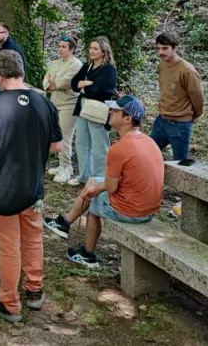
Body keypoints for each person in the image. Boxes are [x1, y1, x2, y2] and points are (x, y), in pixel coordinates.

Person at [0, 50, 63, 322]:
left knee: (9, 245)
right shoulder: (45, 104)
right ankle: (34, 290)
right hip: (33, 185)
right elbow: (57, 146)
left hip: (2, 187)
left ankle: (10, 303)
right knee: (33, 237)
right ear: (22, 72)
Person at [44, 95, 163, 269]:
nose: (110, 112)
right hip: (149, 207)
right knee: (93, 181)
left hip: (134, 211)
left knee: (95, 201)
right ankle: (65, 222)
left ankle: (88, 254)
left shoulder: (120, 148)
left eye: (115, 111)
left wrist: (94, 190)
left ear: (127, 119)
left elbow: (110, 186)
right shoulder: (148, 141)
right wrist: (95, 186)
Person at [67, 36, 118, 186]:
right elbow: (74, 83)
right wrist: (86, 85)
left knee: (99, 147)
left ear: (104, 51)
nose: (91, 51)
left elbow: (102, 90)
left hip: (98, 110)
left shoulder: (109, 69)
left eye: (95, 48)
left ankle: (99, 178)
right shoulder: (87, 66)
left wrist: (85, 87)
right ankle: (84, 176)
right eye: (90, 48)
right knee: (82, 143)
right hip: (83, 108)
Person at [150, 33, 204, 161]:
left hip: (179, 123)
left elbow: (197, 97)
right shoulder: (162, 65)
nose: (161, 52)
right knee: (148, 152)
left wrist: (194, 115)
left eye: (165, 48)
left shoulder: (187, 71)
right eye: (158, 48)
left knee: (180, 162)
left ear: (175, 48)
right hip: (162, 119)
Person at [43, 36, 83, 184]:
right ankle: (61, 164)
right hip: (55, 103)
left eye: (64, 47)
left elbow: (66, 82)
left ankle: (67, 167)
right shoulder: (54, 63)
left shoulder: (76, 64)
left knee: (65, 136)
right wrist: (51, 84)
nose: (60, 49)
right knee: (56, 134)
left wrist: (55, 83)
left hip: (69, 104)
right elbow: (47, 80)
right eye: (59, 46)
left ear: (72, 49)